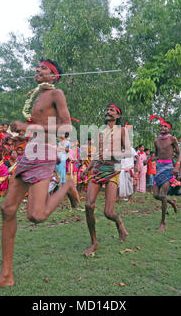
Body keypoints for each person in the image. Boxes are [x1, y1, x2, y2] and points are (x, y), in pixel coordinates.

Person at [0, 58, 79, 296]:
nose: (37, 70)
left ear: (53, 76)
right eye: (38, 67)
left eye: (43, 68)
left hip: (45, 153)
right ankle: (6, 275)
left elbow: (66, 128)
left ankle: (67, 186)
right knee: (7, 209)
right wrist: (24, 135)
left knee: (36, 215)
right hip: (31, 151)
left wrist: (29, 128)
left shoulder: (56, 94)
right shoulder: (36, 96)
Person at [81, 103, 130, 257]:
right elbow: (97, 154)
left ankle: (118, 222)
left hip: (113, 169)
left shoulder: (122, 131)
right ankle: (94, 242)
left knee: (108, 212)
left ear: (118, 115)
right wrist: (87, 170)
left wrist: (113, 153)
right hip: (97, 169)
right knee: (88, 205)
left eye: (112, 110)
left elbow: (127, 151)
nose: (108, 112)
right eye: (107, 110)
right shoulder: (100, 132)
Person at [152, 120, 180, 232]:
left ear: (169, 128)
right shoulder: (156, 141)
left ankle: (163, 223)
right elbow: (157, 155)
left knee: (163, 195)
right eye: (161, 126)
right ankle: (171, 202)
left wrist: (177, 166)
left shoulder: (172, 139)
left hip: (169, 167)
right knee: (155, 195)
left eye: (165, 126)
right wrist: (148, 159)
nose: (162, 127)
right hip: (159, 167)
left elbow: (179, 153)